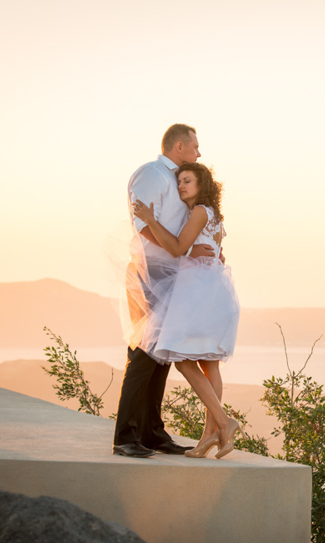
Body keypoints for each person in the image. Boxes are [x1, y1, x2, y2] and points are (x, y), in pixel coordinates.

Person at [112, 124, 215, 458]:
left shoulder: (179, 180)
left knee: (162, 354)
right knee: (144, 353)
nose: (199, 152)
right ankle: (125, 436)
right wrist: (180, 250)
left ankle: (152, 433)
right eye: (195, 146)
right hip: (150, 271)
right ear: (180, 146)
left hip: (174, 275)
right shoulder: (152, 173)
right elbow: (143, 224)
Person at [132, 162, 241, 459]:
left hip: (197, 293)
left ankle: (223, 423)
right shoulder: (213, 214)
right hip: (213, 292)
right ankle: (209, 437)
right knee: (209, 365)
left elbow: (177, 248)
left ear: (201, 184)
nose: (181, 185)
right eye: (179, 180)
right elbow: (211, 251)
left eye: (187, 181)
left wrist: (150, 219)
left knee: (182, 361)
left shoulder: (199, 211)